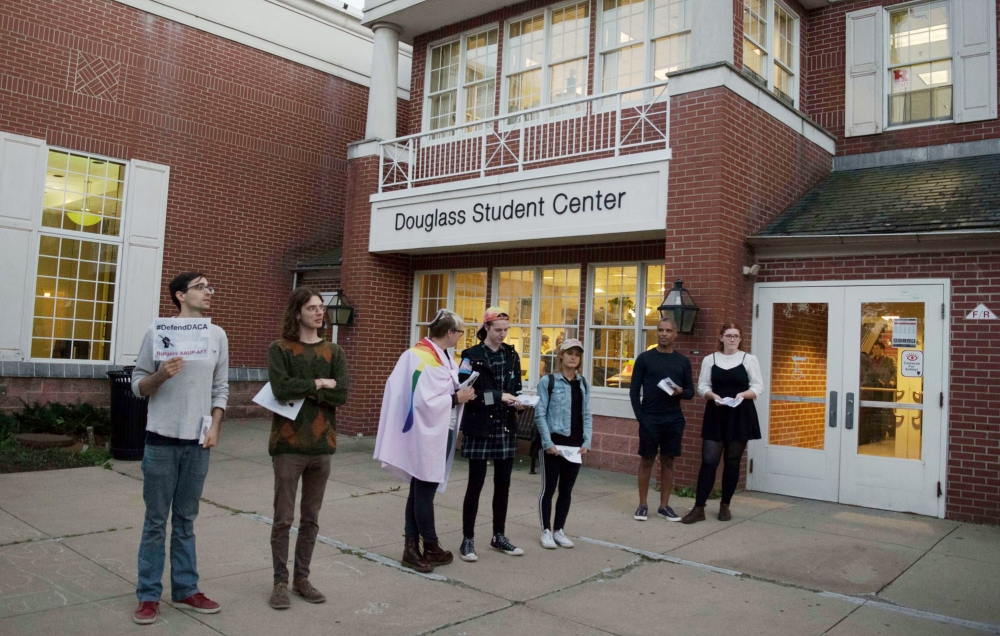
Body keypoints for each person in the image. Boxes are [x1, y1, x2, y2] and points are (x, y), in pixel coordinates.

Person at [131, 272, 228, 625]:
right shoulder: (158, 332)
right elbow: (137, 385)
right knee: (156, 522)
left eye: (209, 287)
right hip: (161, 440)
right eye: (200, 287)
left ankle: (186, 589)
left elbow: (220, 388)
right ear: (179, 295)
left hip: (198, 442)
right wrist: (162, 374)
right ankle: (148, 596)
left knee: (186, 521)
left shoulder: (216, 335)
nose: (208, 292)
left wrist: (215, 426)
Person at [374, 309, 476, 572]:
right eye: (460, 332)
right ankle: (428, 545)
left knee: (419, 488)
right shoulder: (420, 357)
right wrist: (457, 398)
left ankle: (413, 547)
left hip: (436, 428)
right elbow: (422, 400)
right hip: (425, 432)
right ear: (450, 333)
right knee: (425, 488)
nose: (460, 336)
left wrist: (459, 391)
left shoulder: (439, 355)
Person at [266, 288, 349, 609]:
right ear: (297, 312)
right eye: (312, 308)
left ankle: (302, 579)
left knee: (311, 518)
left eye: (321, 308)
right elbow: (280, 388)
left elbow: (342, 394)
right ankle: (279, 583)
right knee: (283, 519)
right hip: (288, 445)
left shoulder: (334, 352)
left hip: (322, 445)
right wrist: (319, 383)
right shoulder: (280, 349)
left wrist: (306, 389)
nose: (319, 312)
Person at [457, 307, 526, 561]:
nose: (502, 334)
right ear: (486, 327)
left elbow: (515, 388)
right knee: (475, 484)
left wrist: (516, 401)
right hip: (480, 426)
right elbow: (467, 395)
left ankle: (499, 535)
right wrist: (498, 397)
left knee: (503, 484)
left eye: (506, 330)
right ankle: (467, 539)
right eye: (498, 330)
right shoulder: (471, 356)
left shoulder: (511, 355)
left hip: (505, 425)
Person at [682, 322, 763, 524]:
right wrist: (712, 396)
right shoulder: (710, 359)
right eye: (728, 335)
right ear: (721, 338)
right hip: (716, 413)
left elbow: (758, 387)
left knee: (732, 461)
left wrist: (742, 395)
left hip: (740, 414)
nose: (732, 339)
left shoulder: (748, 359)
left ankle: (725, 505)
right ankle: (698, 508)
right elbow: (702, 386)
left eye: (736, 336)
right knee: (709, 460)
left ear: (740, 338)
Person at [629, 318, 693, 522]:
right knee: (647, 460)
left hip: (673, 418)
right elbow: (633, 391)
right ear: (656, 333)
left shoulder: (682, 361)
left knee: (668, 460)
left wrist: (681, 391)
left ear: (675, 334)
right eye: (660, 330)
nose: (664, 334)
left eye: (668, 330)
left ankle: (664, 506)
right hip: (650, 417)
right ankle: (642, 505)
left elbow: (690, 392)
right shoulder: (645, 359)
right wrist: (641, 417)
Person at [534, 338, 592, 549]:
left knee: (566, 490)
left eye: (577, 354)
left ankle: (559, 530)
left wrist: (587, 441)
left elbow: (587, 413)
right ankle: (546, 530)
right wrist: (548, 443)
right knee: (548, 489)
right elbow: (540, 414)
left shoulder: (583, 383)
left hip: (574, 446)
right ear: (561, 355)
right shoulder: (548, 381)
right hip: (554, 445)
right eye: (569, 353)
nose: (573, 357)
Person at [860, 341, 897, 444]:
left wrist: (891, 382)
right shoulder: (870, 359)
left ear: (882, 350)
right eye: (873, 348)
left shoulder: (889, 360)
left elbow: (895, 372)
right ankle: (873, 434)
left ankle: (883, 433)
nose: (874, 350)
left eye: (876, 348)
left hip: (883, 389)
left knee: (884, 411)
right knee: (873, 411)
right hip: (872, 389)